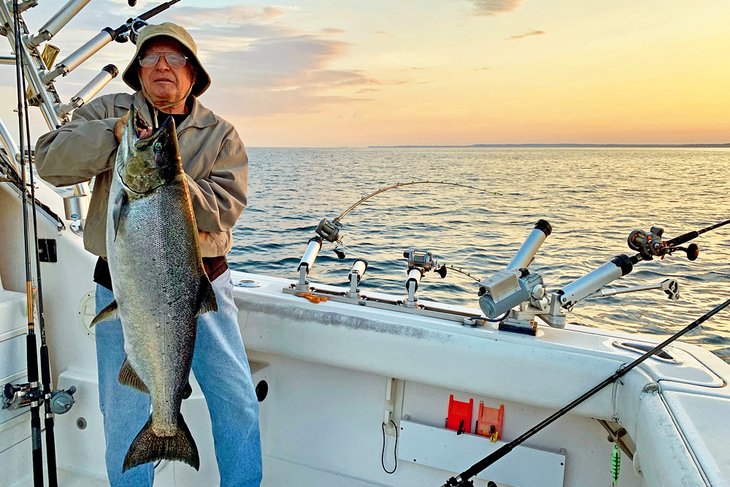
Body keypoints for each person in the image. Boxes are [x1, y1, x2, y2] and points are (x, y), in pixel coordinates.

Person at [35, 22, 262, 486]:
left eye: (175, 59)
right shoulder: (106, 112)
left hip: (202, 287)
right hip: (122, 284)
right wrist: (115, 135)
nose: (162, 66)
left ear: (193, 73)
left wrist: (170, 181)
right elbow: (50, 162)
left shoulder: (219, 133)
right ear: (137, 72)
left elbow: (225, 208)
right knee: (121, 408)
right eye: (150, 58)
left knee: (236, 397)